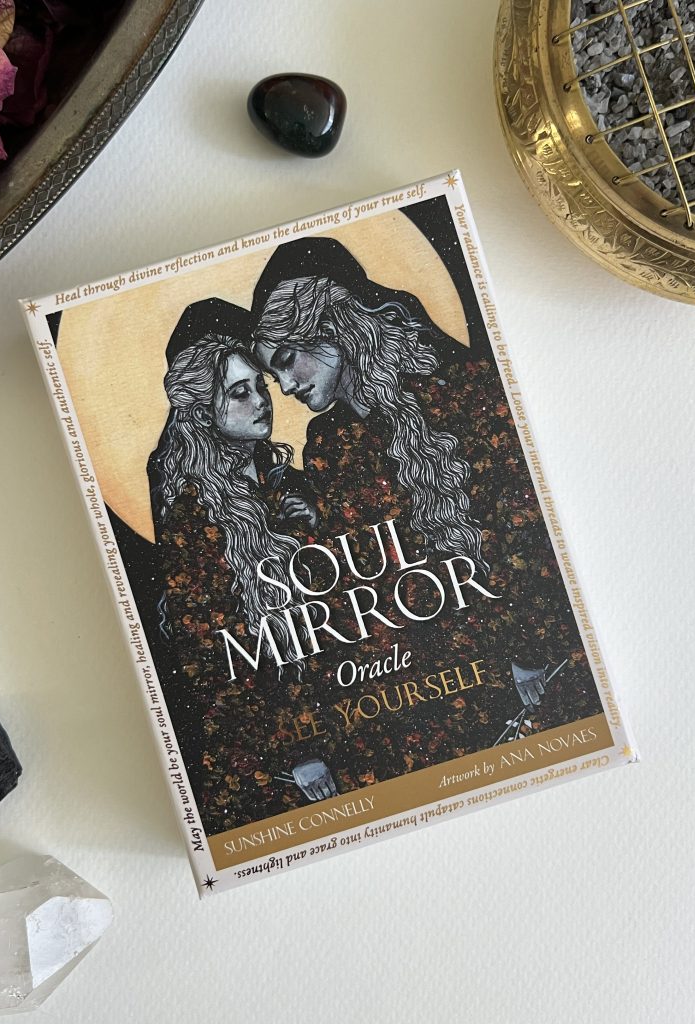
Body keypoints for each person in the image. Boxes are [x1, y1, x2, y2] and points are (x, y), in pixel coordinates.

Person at [251, 238, 603, 759]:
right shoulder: (327, 443)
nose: (284, 386)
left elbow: (524, 523)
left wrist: (527, 645)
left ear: (332, 325)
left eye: (287, 359)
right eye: (272, 374)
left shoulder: (455, 388)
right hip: (422, 682)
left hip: (522, 662)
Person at [149, 311, 338, 834]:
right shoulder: (194, 514)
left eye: (260, 386)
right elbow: (215, 655)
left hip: (339, 701)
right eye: (239, 393)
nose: (261, 401)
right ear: (201, 411)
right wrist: (297, 749)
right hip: (277, 749)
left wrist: (315, 524)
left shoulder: (285, 480)